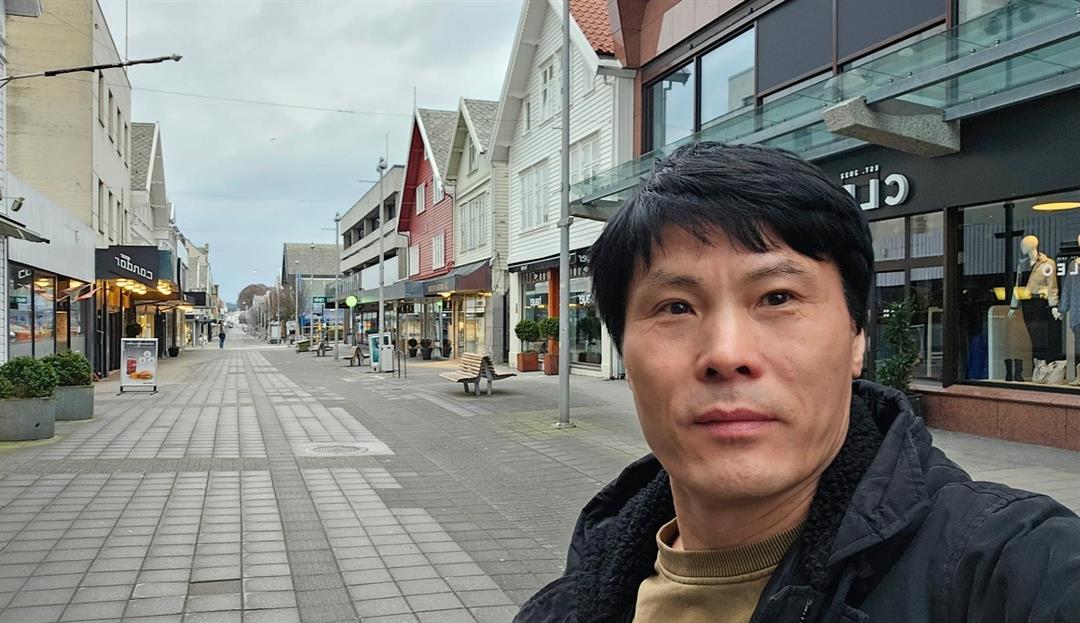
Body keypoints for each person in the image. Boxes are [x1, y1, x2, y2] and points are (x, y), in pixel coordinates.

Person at [514, 143, 1080, 622]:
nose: (727, 355)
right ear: (625, 354)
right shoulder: (572, 601)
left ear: (857, 337)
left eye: (777, 297)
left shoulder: (1007, 571)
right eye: (676, 307)